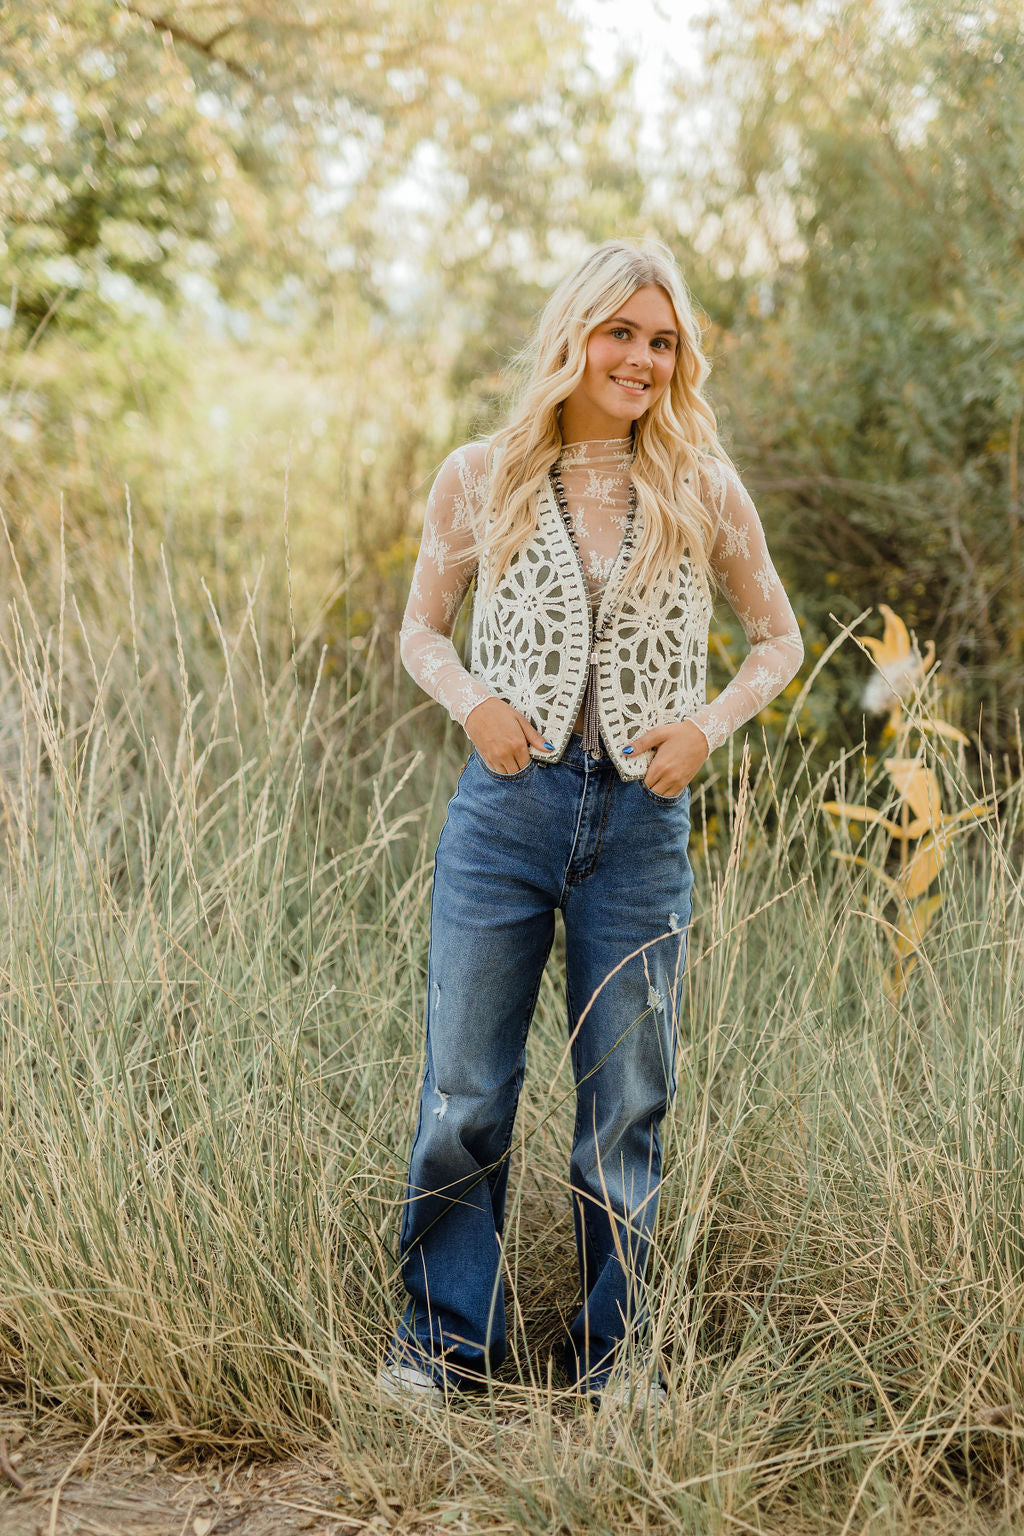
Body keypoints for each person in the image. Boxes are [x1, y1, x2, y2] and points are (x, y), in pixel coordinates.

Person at [378, 238, 803, 1408]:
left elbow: (780, 639)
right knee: (465, 1090)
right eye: (621, 333)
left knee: (626, 1101)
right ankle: (439, 1349)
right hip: (504, 816)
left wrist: (705, 730)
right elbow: (420, 630)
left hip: (639, 828)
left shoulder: (700, 486)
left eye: (661, 341)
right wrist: (475, 704)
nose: (643, 359)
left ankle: (616, 1362)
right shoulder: (481, 475)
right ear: (575, 336)